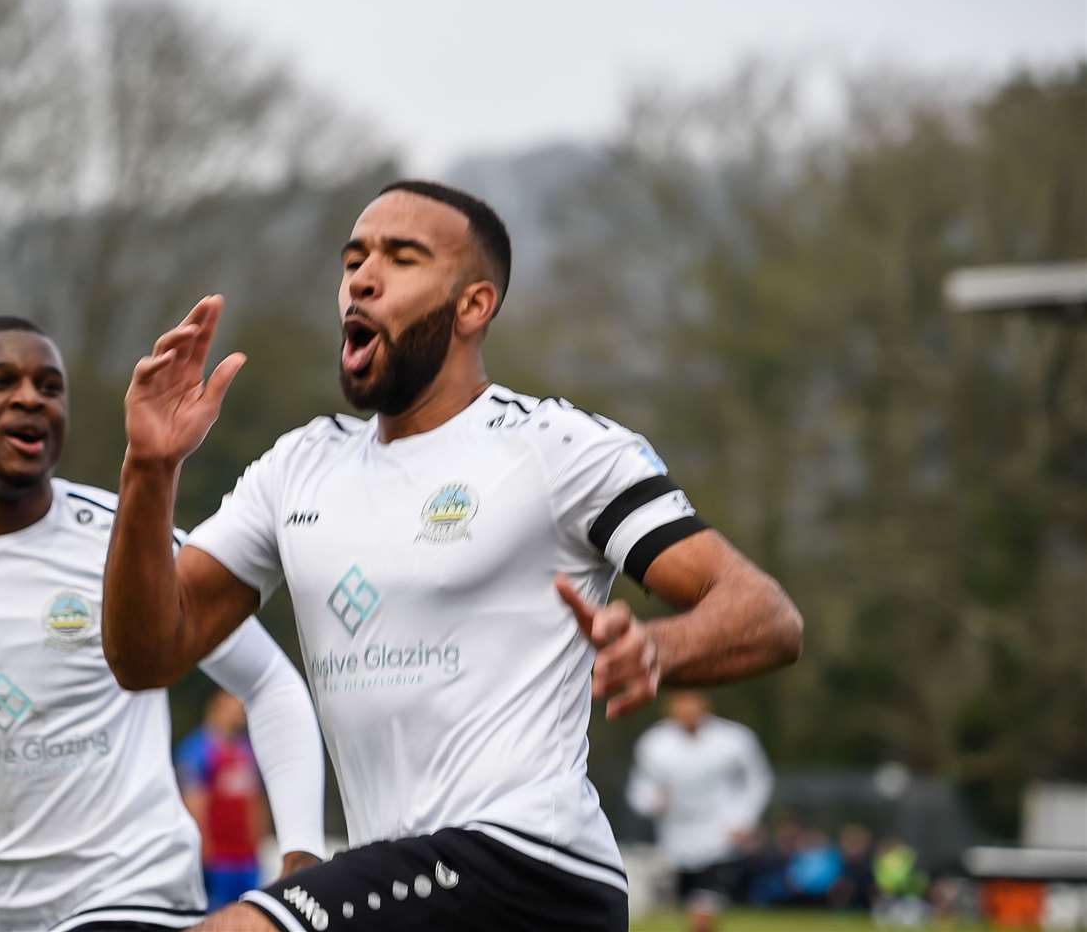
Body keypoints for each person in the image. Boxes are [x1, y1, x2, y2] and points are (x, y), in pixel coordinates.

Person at [102, 180, 805, 932]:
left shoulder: (558, 449)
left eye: (402, 259)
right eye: (354, 259)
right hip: (406, 885)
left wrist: (658, 648)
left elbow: (767, 616)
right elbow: (147, 655)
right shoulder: (297, 467)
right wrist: (150, 469)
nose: (362, 278)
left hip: (530, 868)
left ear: (473, 306)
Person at [0, 317, 326, 932]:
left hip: (133, 899)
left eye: (49, 385)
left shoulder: (128, 539)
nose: (30, 398)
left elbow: (270, 683)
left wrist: (302, 858)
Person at [626, 690, 773, 932]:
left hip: (719, 835)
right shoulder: (654, 743)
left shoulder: (734, 739)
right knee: (690, 904)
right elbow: (639, 789)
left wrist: (744, 819)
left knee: (705, 907)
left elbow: (758, 780)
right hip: (676, 838)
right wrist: (654, 802)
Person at [176, 691, 269, 910]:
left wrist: (259, 844)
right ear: (219, 704)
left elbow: (255, 802)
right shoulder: (198, 750)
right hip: (217, 860)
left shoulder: (246, 750)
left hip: (246, 860)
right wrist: (204, 853)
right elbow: (194, 803)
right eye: (235, 705)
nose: (241, 711)